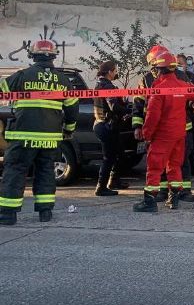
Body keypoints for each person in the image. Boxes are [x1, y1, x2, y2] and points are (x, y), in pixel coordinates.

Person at [0, 40, 79, 225]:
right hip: (50, 138)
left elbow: (2, 91)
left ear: (32, 55)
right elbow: (72, 108)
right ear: (53, 55)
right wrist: (68, 129)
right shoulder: (63, 80)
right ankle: (45, 212)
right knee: (46, 172)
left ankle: (7, 215)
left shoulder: (22, 75)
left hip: (23, 136)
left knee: (15, 171)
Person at [132, 45, 194, 203]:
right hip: (179, 132)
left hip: (162, 133)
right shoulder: (180, 82)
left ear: (157, 66)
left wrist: (147, 134)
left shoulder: (159, 88)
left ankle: (149, 201)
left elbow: (152, 115)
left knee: (155, 167)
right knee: (175, 165)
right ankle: (173, 198)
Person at [93, 60, 130, 196]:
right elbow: (113, 106)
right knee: (109, 157)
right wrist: (126, 109)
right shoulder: (106, 85)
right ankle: (101, 187)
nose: (116, 73)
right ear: (109, 72)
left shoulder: (99, 84)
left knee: (120, 154)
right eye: (115, 70)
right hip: (106, 126)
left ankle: (114, 181)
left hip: (103, 125)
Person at [177, 53, 194, 177]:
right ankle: (184, 170)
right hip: (180, 115)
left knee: (192, 143)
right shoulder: (174, 78)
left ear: (186, 64)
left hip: (191, 115)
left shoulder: (192, 77)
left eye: (180, 64)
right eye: (176, 64)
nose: (178, 66)